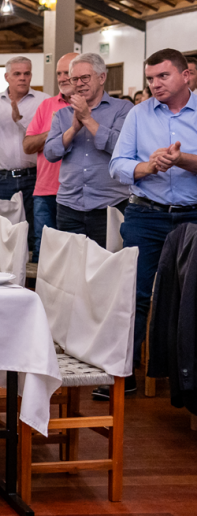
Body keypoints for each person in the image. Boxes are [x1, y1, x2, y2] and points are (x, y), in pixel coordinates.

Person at [108, 48, 197, 398]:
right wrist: (149, 166)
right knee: (133, 293)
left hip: (193, 216)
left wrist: (182, 160)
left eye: (163, 76)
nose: (155, 84)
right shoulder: (138, 114)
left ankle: (190, 375)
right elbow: (117, 165)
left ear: (185, 75)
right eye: (150, 78)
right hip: (146, 214)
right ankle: (123, 372)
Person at [43, 52, 131, 247]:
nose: (79, 83)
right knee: (71, 268)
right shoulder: (63, 114)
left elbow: (120, 147)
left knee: (106, 269)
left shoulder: (123, 109)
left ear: (102, 78)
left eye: (85, 77)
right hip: (68, 206)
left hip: (110, 206)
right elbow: (50, 153)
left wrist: (88, 120)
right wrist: (74, 128)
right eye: (75, 79)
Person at [0, 57, 44, 255]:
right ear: (7, 77)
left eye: (27, 73)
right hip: (2, 177)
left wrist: (19, 121)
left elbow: (45, 139)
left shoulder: (43, 101)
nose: (23, 78)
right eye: (17, 74)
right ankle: (0, 273)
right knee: (2, 232)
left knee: (33, 231)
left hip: (33, 176)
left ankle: (29, 279)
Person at [24, 53, 79, 240]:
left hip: (77, 194)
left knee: (73, 252)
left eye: (67, 72)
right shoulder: (47, 105)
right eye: (59, 73)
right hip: (45, 191)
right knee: (43, 253)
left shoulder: (93, 106)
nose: (62, 78)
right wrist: (56, 132)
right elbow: (28, 146)